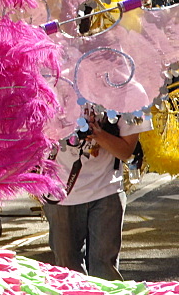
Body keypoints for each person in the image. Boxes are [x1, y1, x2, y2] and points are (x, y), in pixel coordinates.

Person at [44, 107, 151, 280]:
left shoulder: (123, 88)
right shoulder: (51, 84)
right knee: (67, 271)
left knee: (104, 269)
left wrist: (97, 134)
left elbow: (125, 151)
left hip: (106, 189)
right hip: (60, 192)